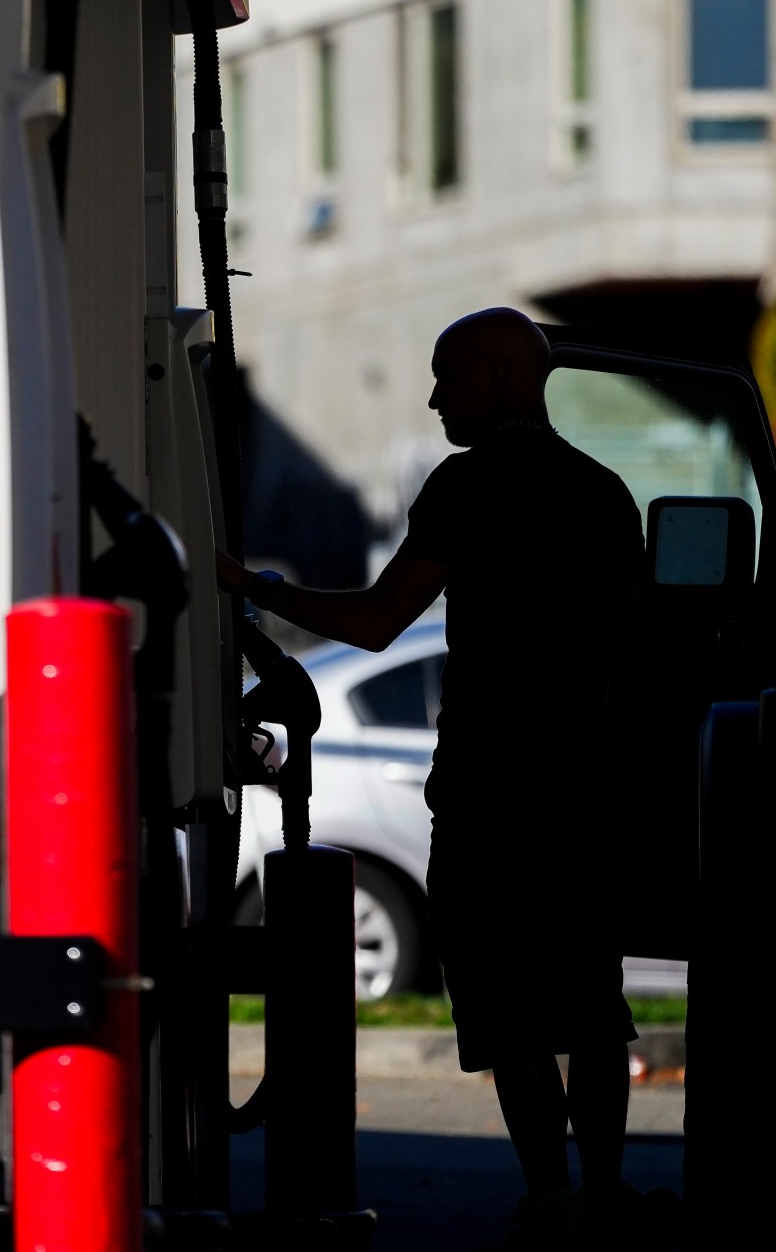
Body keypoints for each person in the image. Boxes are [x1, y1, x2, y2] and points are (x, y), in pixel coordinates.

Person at [217, 308, 644, 1247]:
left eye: (449, 377)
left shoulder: (467, 486)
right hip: (583, 792)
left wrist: (256, 591)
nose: (434, 397)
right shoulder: (605, 492)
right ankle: (607, 1190)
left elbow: (376, 622)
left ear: (495, 378)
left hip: (489, 794)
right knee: (591, 1001)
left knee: (510, 1008)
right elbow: (629, 650)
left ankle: (550, 1198)